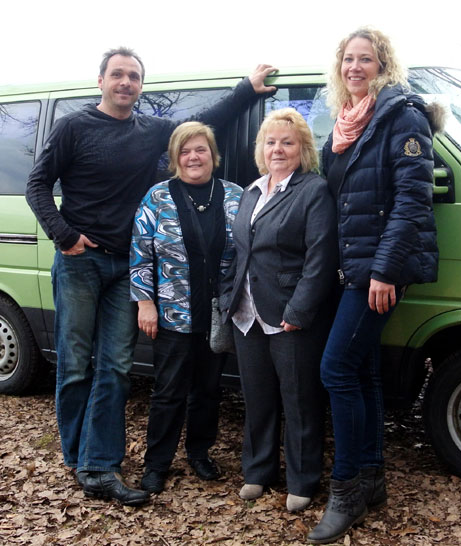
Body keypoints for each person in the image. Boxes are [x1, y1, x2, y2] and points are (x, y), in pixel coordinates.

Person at [25, 46, 276, 506]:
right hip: (81, 261)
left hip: (127, 267)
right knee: (76, 363)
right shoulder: (73, 127)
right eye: (117, 75)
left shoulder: (154, 131)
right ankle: (77, 454)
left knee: (117, 366)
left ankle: (99, 465)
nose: (125, 83)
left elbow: (202, 126)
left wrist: (245, 90)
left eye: (134, 77)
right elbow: (37, 184)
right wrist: (64, 236)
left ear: (141, 86)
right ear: (100, 80)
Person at [307, 28, 443, 544]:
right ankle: (372, 478)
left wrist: (385, 270)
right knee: (360, 371)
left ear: (383, 64)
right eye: (348, 59)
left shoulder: (401, 115)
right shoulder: (347, 123)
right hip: (350, 269)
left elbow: (412, 200)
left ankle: (346, 488)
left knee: (335, 368)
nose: (355, 67)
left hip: (377, 272)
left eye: (365, 59)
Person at [222, 108, 337, 513]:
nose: (278, 149)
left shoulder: (312, 190)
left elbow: (320, 260)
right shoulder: (251, 191)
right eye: (271, 141)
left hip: (289, 315)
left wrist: (300, 310)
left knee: (299, 400)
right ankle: (258, 472)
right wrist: (228, 298)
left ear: (302, 148)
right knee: (258, 398)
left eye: (287, 142)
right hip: (247, 314)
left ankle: (303, 480)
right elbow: (237, 253)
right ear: (261, 148)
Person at [130, 122, 241, 494]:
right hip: (172, 313)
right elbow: (140, 255)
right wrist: (145, 302)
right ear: (175, 158)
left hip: (218, 313)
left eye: (201, 150)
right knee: (168, 391)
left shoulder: (234, 196)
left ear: (213, 155)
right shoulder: (157, 198)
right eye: (185, 151)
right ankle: (157, 463)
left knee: (208, 389)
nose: (194, 157)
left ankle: (199, 453)